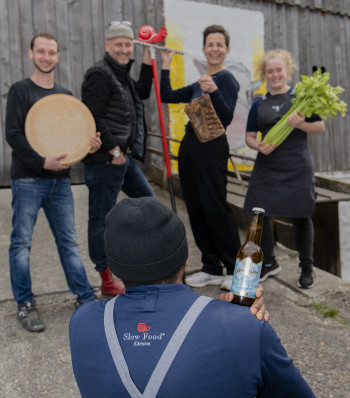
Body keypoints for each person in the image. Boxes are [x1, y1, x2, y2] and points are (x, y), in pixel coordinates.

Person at [69, 196, 315, 398]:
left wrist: (221, 317)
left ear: (113, 269)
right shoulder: (244, 327)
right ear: (185, 262)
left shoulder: (83, 322)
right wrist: (236, 322)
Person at [5, 32, 100, 333]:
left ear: (58, 56)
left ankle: (85, 298)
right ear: (31, 54)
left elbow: (72, 141)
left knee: (69, 243)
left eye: (52, 52)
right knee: (22, 244)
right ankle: (25, 304)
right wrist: (41, 162)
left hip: (61, 182)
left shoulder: (66, 97)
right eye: (41, 51)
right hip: (29, 179)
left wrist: (89, 147)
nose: (47, 57)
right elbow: (13, 135)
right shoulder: (20, 91)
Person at [160, 24, 242, 291]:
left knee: (214, 206)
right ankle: (210, 267)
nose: (215, 49)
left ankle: (233, 268)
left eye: (220, 44)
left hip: (213, 148)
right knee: (195, 207)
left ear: (226, 50)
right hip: (190, 146)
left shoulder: (226, 80)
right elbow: (167, 96)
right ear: (204, 49)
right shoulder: (199, 82)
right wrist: (164, 64)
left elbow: (226, 117)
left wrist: (214, 92)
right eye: (210, 44)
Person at [81, 21, 154, 297]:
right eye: (118, 45)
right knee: (101, 218)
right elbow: (93, 115)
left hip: (123, 158)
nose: (124, 49)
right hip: (106, 159)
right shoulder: (99, 74)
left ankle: (142, 264)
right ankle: (107, 276)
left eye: (128, 45)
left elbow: (143, 92)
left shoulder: (121, 75)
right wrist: (114, 152)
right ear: (107, 46)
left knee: (149, 206)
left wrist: (148, 56)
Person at [244, 49, 325, 288]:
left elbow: (319, 127)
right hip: (267, 165)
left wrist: (301, 123)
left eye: (279, 70)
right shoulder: (259, 103)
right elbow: (249, 136)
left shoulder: (301, 98)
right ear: (264, 74)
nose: (275, 75)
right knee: (258, 212)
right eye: (270, 71)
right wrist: (257, 145)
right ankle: (268, 262)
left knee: (301, 214)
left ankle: (307, 268)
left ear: (287, 71)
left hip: (296, 165)